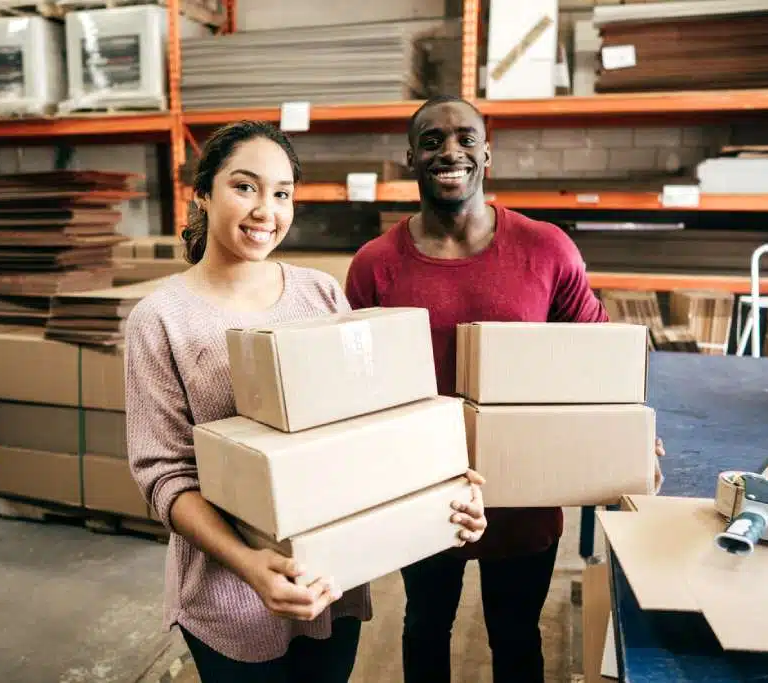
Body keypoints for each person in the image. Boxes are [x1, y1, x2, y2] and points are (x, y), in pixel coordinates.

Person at [123, 120, 488, 683]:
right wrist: (250, 566)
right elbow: (164, 476)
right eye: (243, 187)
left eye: (281, 193)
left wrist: (444, 491)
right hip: (230, 597)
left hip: (331, 578)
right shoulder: (162, 319)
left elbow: (367, 426)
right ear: (202, 193)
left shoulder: (319, 294)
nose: (264, 210)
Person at [345, 95, 665, 683]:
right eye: (433, 139)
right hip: (422, 491)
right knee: (423, 627)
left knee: (516, 635)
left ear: (487, 153)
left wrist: (633, 436)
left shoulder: (545, 248)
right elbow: (358, 388)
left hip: (523, 494)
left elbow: (600, 358)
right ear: (410, 156)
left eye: (466, 138)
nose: (450, 151)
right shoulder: (375, 264)